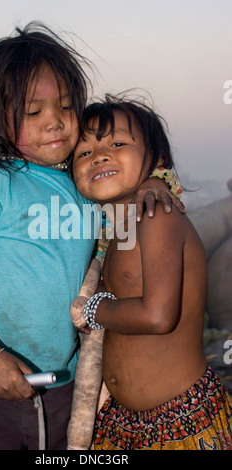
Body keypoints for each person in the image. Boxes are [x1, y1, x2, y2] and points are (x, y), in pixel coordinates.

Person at [0, 23, 183, 451]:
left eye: (66, 107)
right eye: (33, 112)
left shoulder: (86, 184)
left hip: (59, 389)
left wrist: (157, 181)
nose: (55, 123)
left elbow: (130, 199)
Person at [72, 94, 232, 450]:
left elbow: (157, 315)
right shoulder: (114, 232)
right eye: (83, 153)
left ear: (157, 161)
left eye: (117, 143)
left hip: (181, 423)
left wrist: (94, 310)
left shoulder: (156, 215)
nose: (99, 156)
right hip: (123, 423)